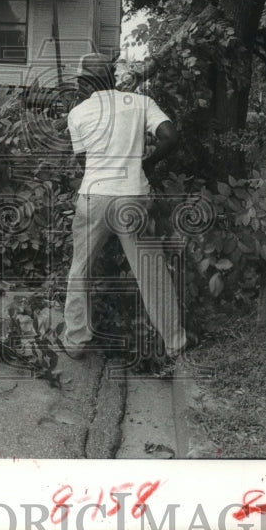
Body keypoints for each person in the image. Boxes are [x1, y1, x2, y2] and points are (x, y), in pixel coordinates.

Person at [63, 53, 188, 362]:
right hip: (133, 198)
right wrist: (146, 163)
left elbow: (84, 162)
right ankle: (175, 342)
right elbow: (171, 137)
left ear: (85, 83)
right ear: (111, 78)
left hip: (92, 199)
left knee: (80, 269)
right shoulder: (140, 103)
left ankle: (77, 340)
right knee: (151, 271)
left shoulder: (77, 113)